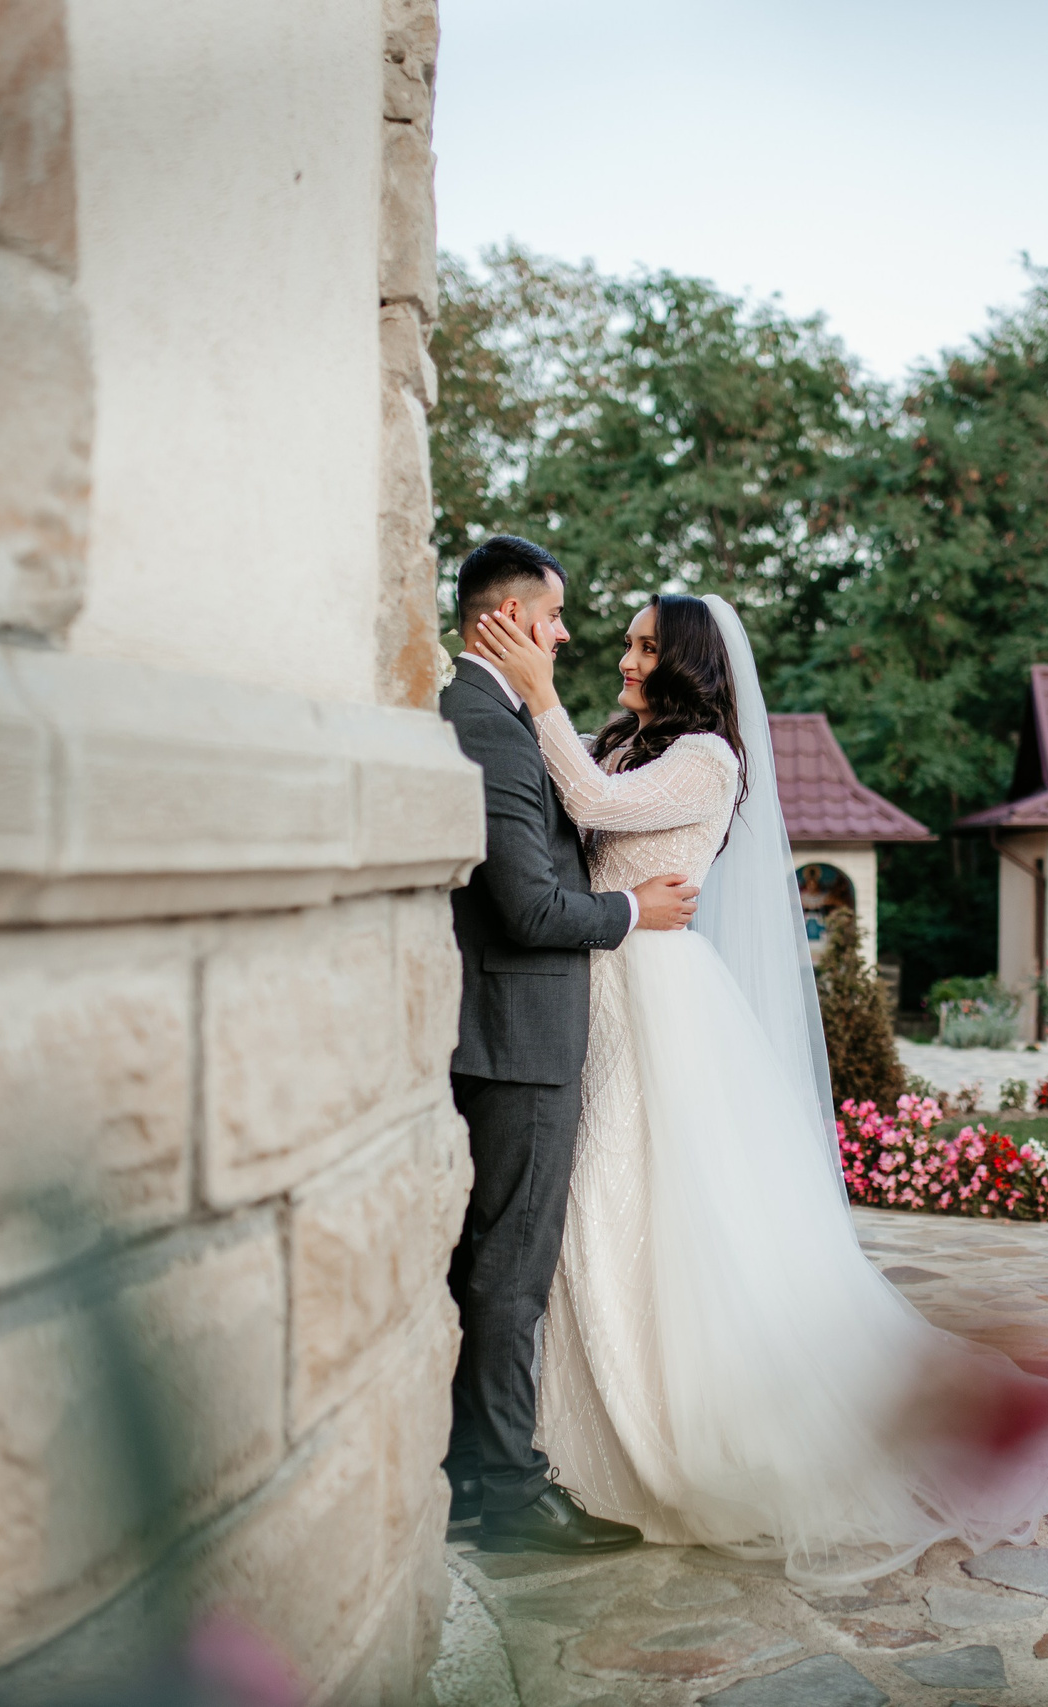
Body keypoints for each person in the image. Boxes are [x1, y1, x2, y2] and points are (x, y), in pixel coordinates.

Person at [469, 590, 1048, 1587]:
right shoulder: (626, 742)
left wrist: (537, 694)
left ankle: (658, 1435)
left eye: (641, 649)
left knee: (629, 1195)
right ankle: (568, 1431)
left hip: (658, 998)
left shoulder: (706, 761)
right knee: (597, 1201)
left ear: (687, 667)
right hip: (607, 977)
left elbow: (589, 807)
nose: (623, 663)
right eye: (624, 645)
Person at [437, 537, 703, 1557]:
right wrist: (635, 908)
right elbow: (532, 908)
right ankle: (503, 1490)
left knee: (503, 1261)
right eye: (550, 620)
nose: (564, 639)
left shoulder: (502, 720)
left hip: (523, 1033)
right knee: (511, 1267)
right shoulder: (488, 726)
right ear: (500, 622)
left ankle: (481, 1468)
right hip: (519, 1037)